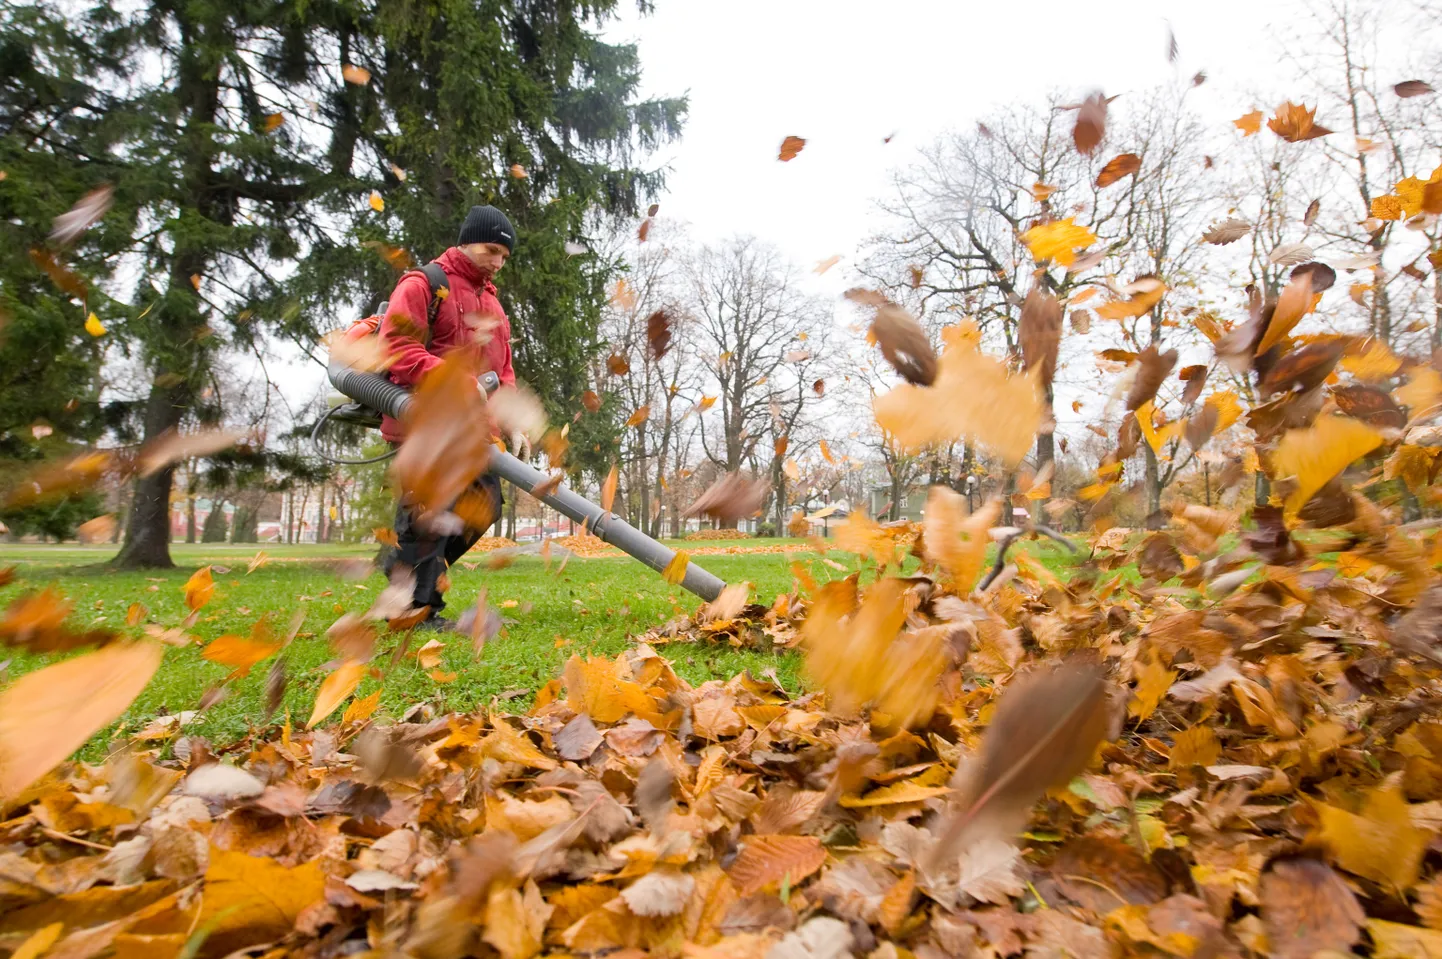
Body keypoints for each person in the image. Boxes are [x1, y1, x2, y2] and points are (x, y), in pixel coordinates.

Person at [378, 204, 528, 630]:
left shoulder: (494, 308)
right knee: (432, 513)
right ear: (467, 240)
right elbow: (398, 350)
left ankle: (400, 568)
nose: (498, 262)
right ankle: (415, 611)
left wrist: (511, 419)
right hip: (424, 425)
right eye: (491, 249)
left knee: (485, 505)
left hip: (474, 433)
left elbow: (503, 372)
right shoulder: (425, 283)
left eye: (505, 256)